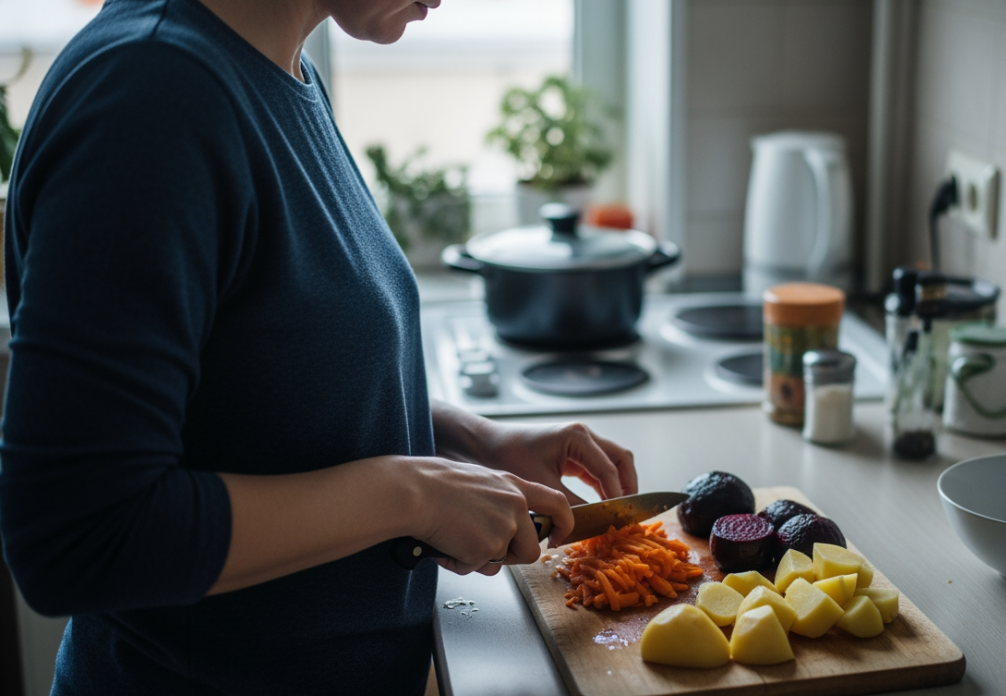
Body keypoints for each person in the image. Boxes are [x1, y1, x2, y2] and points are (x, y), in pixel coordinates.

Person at [0, 0, 637, 693]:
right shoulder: (150, 96)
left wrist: (468, 440)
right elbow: (76, 537)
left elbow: (266, 383)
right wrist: (409, 495)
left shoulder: (276, 68)